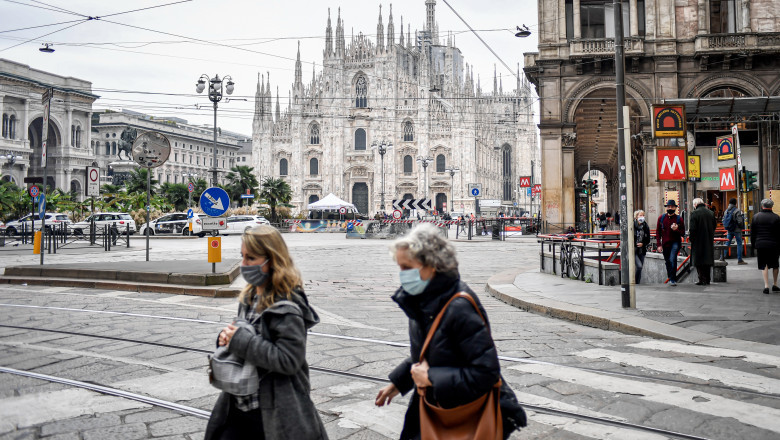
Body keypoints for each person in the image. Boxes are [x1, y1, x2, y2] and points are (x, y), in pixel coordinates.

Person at [375, 224, 526, 439]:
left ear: (432, 265)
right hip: (435, 407)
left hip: (460, 416)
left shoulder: (459, 307)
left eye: (407, 268)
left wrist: (432, 378)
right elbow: (435, 350)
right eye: (400, 267)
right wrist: (400, 382)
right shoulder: (422, 300)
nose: (402, 276)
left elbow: (487, 372)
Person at [205, 225, 328, 440]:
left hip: (274, 411)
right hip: (240, 404)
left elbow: (289, 360)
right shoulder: (250, 297)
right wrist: (226, 339)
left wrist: (241, 340)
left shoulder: (287, 305)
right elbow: (243, 338)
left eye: (251, 258)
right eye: (242, 257)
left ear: (272, 259)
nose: (243, 265)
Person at [751, 199, 780, 294]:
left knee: (764, 264)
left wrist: (753, 244)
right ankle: (775, 284)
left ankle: (766, 285)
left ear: (762, 206)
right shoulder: (776, 218)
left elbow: (753, 233)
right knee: (775, 264)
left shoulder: (756, 217)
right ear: (771, 206)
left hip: (761, 244)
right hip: (774, 244)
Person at [656, 200, 685, 286]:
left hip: (675, 242)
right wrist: (658, 244)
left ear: (675, 208)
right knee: (667, 261)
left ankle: (673, 279)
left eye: (672, 207)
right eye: (668, 207)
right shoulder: (661, 218)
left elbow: (683, 233)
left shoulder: (679, 219)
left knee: (673, 259)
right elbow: (658, 232)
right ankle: (670, 276)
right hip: (665, 243)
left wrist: (676, 230)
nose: (670, 208)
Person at [689, 198, 716, 286]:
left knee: (699, 260)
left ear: (695, 205)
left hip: (698, 241)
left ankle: (701, 279)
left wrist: (691, 238)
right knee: (707, 259)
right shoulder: (711, 213)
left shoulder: (694, 213)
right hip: (708, 239)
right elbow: (714, 225)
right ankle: (708, 279)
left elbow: (692, 229)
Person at [723, 198, 747, 265]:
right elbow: (740, 221)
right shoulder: (737, 210)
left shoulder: (726, 211)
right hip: (737, 230)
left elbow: (723, 219)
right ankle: (740, 260)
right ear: (735, 203)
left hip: (729, 230)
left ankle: (722, 257)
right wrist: (741, 226)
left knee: (727, 243)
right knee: (739, 244)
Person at [633, 209, 651, 284]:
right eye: (640, 215)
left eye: (643, 215)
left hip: (642, 250)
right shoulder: (632, 225)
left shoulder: (645, 226)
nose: (642, 217)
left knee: (640, 268)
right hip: (633, 250)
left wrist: (643, 243)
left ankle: (638, 283)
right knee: (639, 266)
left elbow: (648, 239)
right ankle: (635, 282)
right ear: (636, 217)